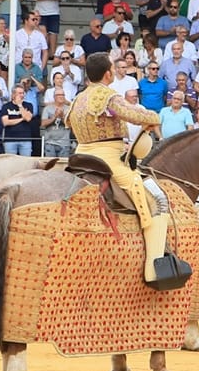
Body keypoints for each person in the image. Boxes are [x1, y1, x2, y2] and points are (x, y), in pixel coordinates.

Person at [69, 54, 181, 287]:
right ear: (108, 73)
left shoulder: (78, 98)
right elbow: (133, 113)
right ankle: (154, 269)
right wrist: (154, 116)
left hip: (80, 155)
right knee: (158, 199)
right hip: (107, 158)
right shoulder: (107, 95)